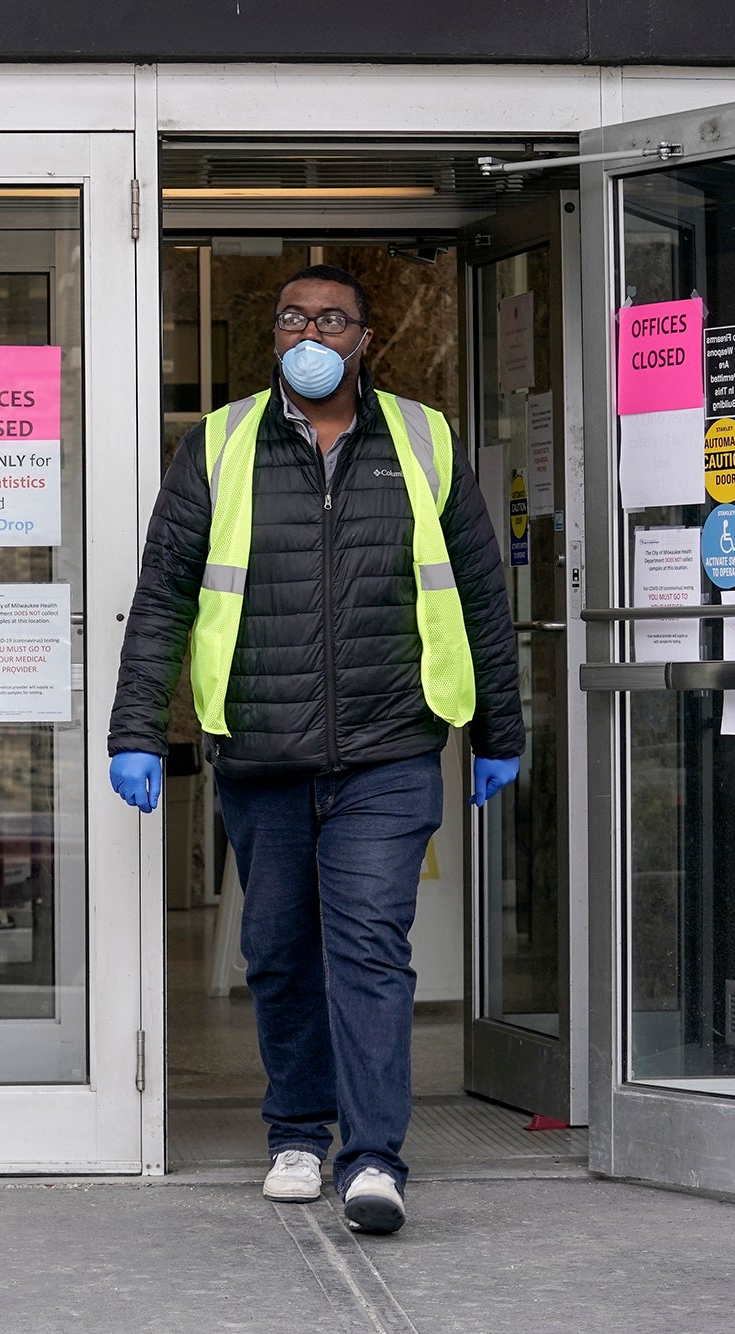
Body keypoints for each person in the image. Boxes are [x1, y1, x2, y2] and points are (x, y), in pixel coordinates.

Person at [108, 264, 523, 1234]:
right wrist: (136, 728)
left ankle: (373, 1156)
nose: (309, 332)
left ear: (363, 338)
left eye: (330, 318)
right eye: (292, 316)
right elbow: (163, 592)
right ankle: (297, 1127)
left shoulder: (421, 439)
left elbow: (478, 594)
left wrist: (502, 729)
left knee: (369, 946)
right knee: (278, 950)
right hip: (258, 747)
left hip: (389, 746)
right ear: (276, 334)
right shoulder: (218, 442)